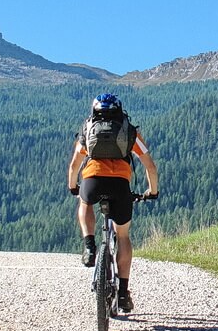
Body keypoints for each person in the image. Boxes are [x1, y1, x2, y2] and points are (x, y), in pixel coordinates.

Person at [67, 93, 159, 312]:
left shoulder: (88, 130)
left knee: (85, 202)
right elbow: (150, 166)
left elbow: (74, 166)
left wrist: (73, 187)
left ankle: (89, 245)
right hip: (120, 185)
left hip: (92, 181)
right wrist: (152, 191)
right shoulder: (130, 133)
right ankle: (124, 292)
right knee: (123, 235)